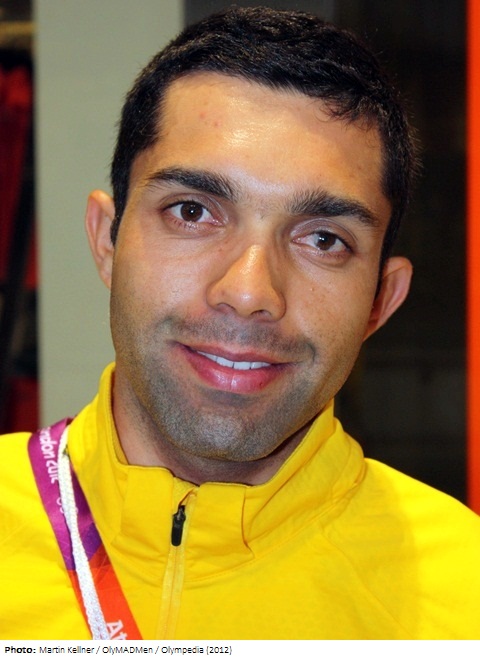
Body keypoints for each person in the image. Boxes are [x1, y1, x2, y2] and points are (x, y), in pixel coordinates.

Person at [1, 6, 479, 641]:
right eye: (193, 211)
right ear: (107, 240)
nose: (250, 292)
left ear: (379, 302)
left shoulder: (463, 598)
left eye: (324, 240)